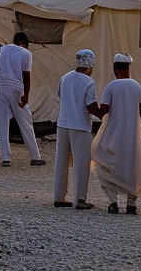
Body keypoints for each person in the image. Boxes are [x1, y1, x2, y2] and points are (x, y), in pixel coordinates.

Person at [91, 54, 141, 214]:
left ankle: (113, 202)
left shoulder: (111, 87)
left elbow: (103, 110)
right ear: (127, 68)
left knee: (108, 165)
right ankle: (131, 203)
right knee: (133, 166)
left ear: (115, 68)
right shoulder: (136, 86)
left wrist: (90, 109)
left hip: (113, 132)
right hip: (133, 134)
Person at [53, 49, 100, 210]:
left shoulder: (65, 78)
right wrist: (104, 113)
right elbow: (91, 106)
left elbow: (61, 96)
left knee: (61, 161)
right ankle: (80, 198)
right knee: (81, 163)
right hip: (80, 125)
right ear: (90, 66)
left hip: (63, 123)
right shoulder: (88, 82)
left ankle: (59, 196)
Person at [0, 32, 44, 167]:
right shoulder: (26, 53)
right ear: (25, 43)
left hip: (1, 87)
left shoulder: (3, 49)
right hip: (16, 88)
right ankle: (35, 156)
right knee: (26, 122)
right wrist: (26, 95)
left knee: (3, 123)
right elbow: (26, 76)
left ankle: (5, 159)